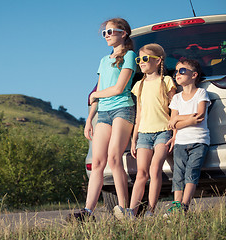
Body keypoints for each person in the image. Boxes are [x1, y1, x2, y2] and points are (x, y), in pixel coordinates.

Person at [67, 18, 137, 222]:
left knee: (115, 159)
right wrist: (89, 119)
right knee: (97, 162)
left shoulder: (130, 56)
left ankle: (125, 210)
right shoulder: (103, 60)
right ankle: (88, 212)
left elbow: (118, 89)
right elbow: (98, 90)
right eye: (104, 33)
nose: (106, 36)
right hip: (103, 113)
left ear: (123, 33)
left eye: (110, 32)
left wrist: (96, 96)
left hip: (122, 110)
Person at [127, 43, 176, 219]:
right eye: (139, 59)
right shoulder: (139, 85)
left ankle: (150, 211)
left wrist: (174, 132)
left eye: (145, 59)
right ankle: (132, 211)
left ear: (158, 61)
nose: (141, 62)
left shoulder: (166, 81)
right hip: (144, 134)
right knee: (141, 173)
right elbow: (138, 115)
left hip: (163, 131)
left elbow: (174, 109)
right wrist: (134, 139)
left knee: (155, 170)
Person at [164, 58, 210, 217]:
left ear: (194, 75)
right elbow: (172, 123)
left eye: (182, 71)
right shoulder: (176, 98)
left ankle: (184, 205)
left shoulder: (201, 93)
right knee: (178, 174)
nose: (177, 74)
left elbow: (200, 115)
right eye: (176, 71)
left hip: (199, 141)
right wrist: (187, 120)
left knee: (192, 172)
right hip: (180, 142)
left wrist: (179, 119)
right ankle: (176, 205)